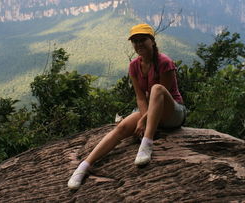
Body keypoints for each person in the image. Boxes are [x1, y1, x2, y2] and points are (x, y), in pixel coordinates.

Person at [67, 23, 186, 190]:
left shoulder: (165, 62)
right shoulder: (134, 66)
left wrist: (143, 121)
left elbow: (161, 95)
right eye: (135, 41)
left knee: (156, 89)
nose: (138, 44)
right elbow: (140, 98)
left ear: (152, 40)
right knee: (122, 127)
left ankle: (147, 144)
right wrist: (142, 119)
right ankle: (83, 167)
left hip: (172, 112)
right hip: (151, 112)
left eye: (142, 40)